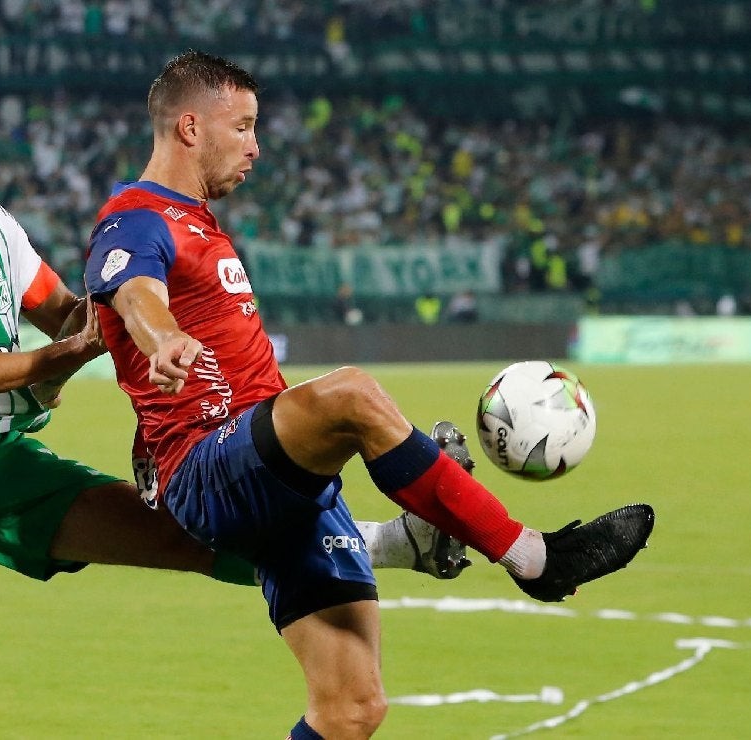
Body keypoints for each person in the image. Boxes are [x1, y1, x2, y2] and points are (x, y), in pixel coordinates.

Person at [0, 63, 468, 740]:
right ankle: (391, 541)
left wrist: (146, 320)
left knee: (198, 523)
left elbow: (72, 320)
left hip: (1, 468)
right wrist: (65, 358)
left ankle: (391, 541)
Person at [83, 51, 655, 739]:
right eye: (243, 127)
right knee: (349, 395)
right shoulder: (136, 216)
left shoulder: (202, 224)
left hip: (279, 485)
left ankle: (417, 537)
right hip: (210, 470)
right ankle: (535, 558)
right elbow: (135, 292)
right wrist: (162, 337)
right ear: (188, 128)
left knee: (352, 710)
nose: (256, 147)